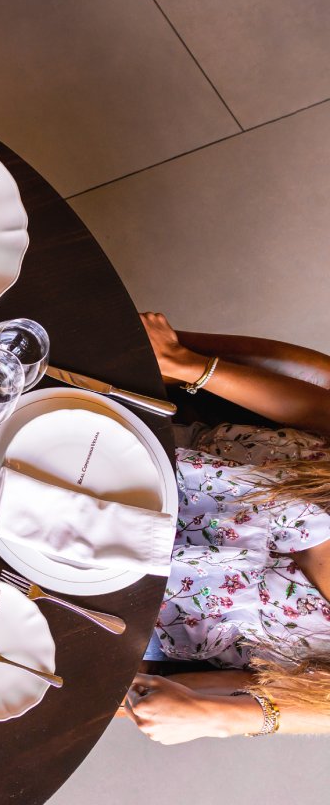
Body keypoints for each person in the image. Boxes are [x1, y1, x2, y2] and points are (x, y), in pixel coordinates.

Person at [119, 312, 330, 743]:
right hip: (171, 468)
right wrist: (185, 362)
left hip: (140, 602)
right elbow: (321, 411)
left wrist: (209, 714)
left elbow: (280, 693)